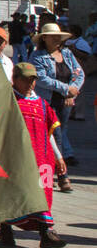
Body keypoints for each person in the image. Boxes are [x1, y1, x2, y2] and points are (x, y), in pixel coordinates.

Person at [0, 63, 66, 248]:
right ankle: (5, 230)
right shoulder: (9, 101)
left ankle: (46, 233)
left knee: (43, 195)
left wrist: (58, 156)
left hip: (43, 158)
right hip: (17, 158)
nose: (30, 83)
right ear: (15, 79)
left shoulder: (43, 104)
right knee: (14, 194)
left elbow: (49, 133)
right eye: (26, 79)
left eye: (33, 79)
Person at [30, 22, 84, 170]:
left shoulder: (67, 53)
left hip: (65, 99)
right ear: (44, 38)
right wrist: (66, 89)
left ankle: (61, 158)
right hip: (48, 99)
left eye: (58, 37)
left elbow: (78, 73)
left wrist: (72, 92)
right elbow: (41, 79)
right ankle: (60, 163)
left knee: (62, 128)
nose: (56, 39)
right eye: (52, 37)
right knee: (53, 131)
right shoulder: (37, 56)